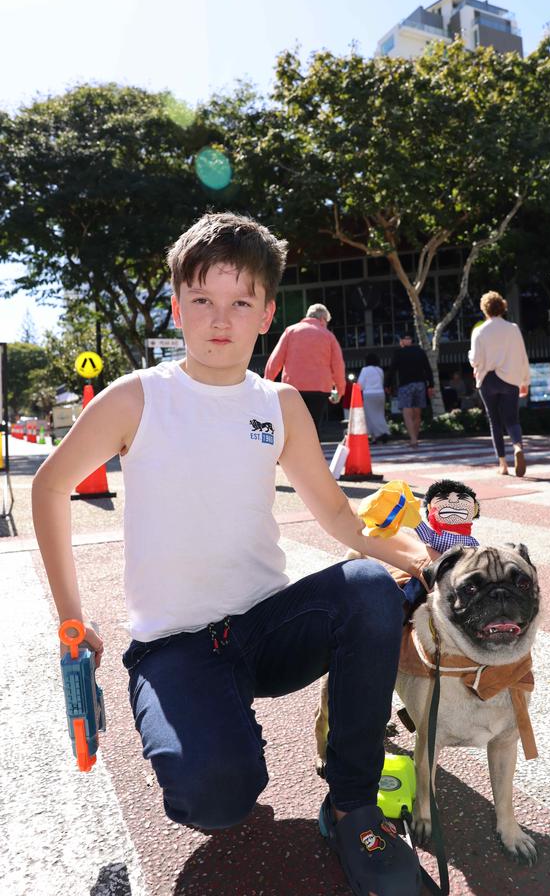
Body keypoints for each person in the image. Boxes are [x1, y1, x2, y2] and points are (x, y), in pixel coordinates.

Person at [32, 212, 430, 896]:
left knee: (369, 586)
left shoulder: (278, 405)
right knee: (218, 801)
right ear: (176, 306)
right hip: (176, 646)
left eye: (241, 302)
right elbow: (49, 487)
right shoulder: (140, 396)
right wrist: (73, 619)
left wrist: (421, 559)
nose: (221, 321)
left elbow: (335, 511)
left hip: (266, 629)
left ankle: (352, 805)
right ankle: (214, 733)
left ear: (267, 313)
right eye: (203, 302)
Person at [468, 290, 530, 477]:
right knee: (512, 419)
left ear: (484, 309)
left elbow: (476, 359)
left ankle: (502, 464)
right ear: (503, 307)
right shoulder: (513, 328)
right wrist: (525, 380)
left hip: (488, 379)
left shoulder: (479, 331)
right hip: (510, 379)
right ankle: (517, 446)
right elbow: (522, 356)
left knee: (494, 421)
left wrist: (470, 357)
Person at [264, 302, 346, 439]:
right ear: (322, 319)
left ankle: (293, 457)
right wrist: (340, 390)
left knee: (294, 426)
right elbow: (338, 366)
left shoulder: (291, 331)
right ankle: (313, 457)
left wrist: (267, 382)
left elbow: (275, 359)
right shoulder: (328, 336)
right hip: (320, 389)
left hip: (293, 388)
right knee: (314, 426)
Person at [387, 334, 434, 448]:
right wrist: (431, 385)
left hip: (405, 385)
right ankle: (415, 438)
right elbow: (427, 368)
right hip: (420, 384)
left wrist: (387, 384)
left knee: (407, 413)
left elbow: (392, 369)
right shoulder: (420, 351)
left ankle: (413, 439)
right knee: (417, 413)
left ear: (402, 341)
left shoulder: (398, 353)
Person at [357, 352, 390, 443]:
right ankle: (378, 434)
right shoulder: (380, 370)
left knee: (370, 416)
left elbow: (360, 385)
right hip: (380, 393)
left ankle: (380, 433)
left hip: (369, 394)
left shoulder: (365, 370)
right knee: (379, 414)